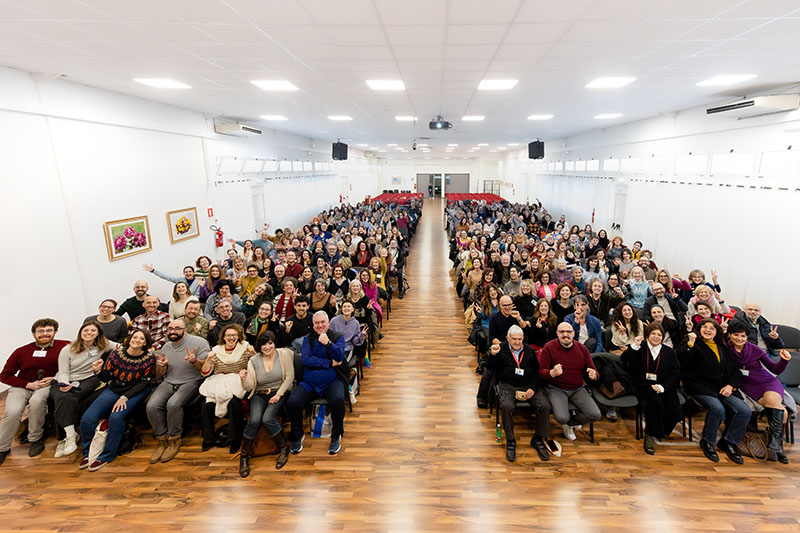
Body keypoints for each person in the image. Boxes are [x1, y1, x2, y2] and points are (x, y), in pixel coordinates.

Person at [79, 329, 159, 471]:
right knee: (88, 418)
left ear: (145, 343)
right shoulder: (116, 354)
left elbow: (144, 383)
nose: (137, 340)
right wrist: (98, 371)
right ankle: (88, 453)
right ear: (130, 338)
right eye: (135, 337)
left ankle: (107, 455)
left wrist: (125, 397)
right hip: (114, 388)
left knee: (116, 417)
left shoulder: (149, 358)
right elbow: (107, 377)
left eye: (141, 339)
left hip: (136, 391)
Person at [677, 319, 749, 464]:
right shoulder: (691, 343)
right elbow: (682, 361)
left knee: (744, 411)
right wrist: (690, 344)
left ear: (717, 332)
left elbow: (734, 370)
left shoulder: (722, 347)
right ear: (699, 329)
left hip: (722, 388)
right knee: (718, 409)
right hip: (700, 387)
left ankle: (728, 442)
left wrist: (730, 385)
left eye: (712, 328)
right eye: (705, 327)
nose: (708, 330)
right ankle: (707, 441)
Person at [0, 319, 68, 464]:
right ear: (33, 334)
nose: (45, 334)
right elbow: (4, 375)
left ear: (55, 332)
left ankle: (35, 439)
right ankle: (2, 448)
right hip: (23, 386)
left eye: (49, 330)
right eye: (40, 331)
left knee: (36, 402)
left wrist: (54, 378)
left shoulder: (64, 346)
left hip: (46, 385)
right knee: (12, 412)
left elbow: (73, 367)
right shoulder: (21, 351)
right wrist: (28, 384)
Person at [145, 319, 210, 464]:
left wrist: (194, 361)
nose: (173, 331)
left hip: (191, 381)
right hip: (169, 381)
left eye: (177, 328)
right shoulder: (166, 346)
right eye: (170, 328)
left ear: (185, 330)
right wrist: (161, 366)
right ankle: (162, 440)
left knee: (173, 404)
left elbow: (206, 368)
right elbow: (160, 374)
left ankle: (174, 439)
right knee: (152, 405)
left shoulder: (199, 342)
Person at [727, 321, 791, 463]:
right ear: (730, 335)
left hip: (767, 382)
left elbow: (775, 369)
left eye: (743, 336)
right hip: (747, 385)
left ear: (747, 337)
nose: (739, 338)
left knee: (773, 401)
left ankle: (774, 443)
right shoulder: (727, 349)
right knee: (783, 412)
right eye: (736, 335)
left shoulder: (755, 349)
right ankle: (778, 446)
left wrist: (784, 361)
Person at [286, 311, 347, 456]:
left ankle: (336, 435)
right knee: (293, 402)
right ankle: (297, 434)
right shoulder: (308, 339)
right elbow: (306, 360)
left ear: (328, 322)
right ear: (313, 325)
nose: (320, 325)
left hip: (331, 382)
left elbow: (339, 357)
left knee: (338, 400)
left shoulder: (337, 337)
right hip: (309, 383)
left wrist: (328, 344)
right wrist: (329, 363)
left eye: (322, 322)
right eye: (317, 323)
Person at [488, 326, 552, 462]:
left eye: (520, 339)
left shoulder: (529, 350)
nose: (517, 342)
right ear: (507, 338)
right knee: (506, 406)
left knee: (544, 405)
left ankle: (538, 439)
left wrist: (533, 388)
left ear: (523, 338)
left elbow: (537, 372)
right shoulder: (500, 349)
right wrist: (493, 355)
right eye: (514, 339)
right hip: (508, 385)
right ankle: (510, 440)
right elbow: (489, 368)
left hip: (528, 385)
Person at [52, 321, 113, 458]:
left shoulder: (103, 345)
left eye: (93, 331)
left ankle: (64, 438)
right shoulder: (68, 349)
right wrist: (64, 384)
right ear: (80, 332)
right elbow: (63, 371)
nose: (89, 333)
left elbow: (122, 346)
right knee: (63, 397)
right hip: (65, 379)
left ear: (98, 333)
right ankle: (70, 436)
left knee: (69, 398)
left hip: (89, 379)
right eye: (86, 330)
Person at [238, 331, 295, 476]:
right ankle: (244, 456)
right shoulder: (253, 360)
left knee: (267, 419)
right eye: (264, 344)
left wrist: (278, 395)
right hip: (259, 394)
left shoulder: (283, 355)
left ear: (274, 343)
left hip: (278, 392)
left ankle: (284, 448)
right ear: (259, 346)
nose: (267, 347)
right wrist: (243, 379)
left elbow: (289, 377)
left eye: (270, 343)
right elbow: (249, 386)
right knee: (254, 421)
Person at [621, 323, 681, 455]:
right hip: (644, 384)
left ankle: (661, 431)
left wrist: (663, 387)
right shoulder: (640, 347)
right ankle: (650, 434)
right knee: (655, 403)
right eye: (653, 333)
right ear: (647, 335)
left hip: (664, 384)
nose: (656, 336)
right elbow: (623, 359)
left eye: (659, 334)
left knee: (675, 410)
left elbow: (675, 372)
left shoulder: (669, 351)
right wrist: (634, 346)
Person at [539, 322, 601, 441]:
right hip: (556, 388)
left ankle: (570, 423)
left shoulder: (582, 349)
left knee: (595, 414)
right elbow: (541, 372)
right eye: (562, 332)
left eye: (568, 332)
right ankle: (566, 421)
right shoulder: (549, 347)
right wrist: (552, 372)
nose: (565, 334)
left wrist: (594, 375)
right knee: (561, 418)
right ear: (557, 333)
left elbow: (593, 370)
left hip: (577, 388)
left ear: (573, 334)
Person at [199, 324, 256, 453]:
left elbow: (257, 364)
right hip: (219, 381)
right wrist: (208, 359)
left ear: (238, 336)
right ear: (223, 337)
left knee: (234, 404)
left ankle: (235, 439)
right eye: (228, 335)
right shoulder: (216, 350)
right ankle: (208, 438)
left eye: (234, 335)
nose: (231, 337)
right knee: (206, 406)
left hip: (238, 381)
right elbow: (205, 372)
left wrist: (253, 352)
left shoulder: (245, 348)